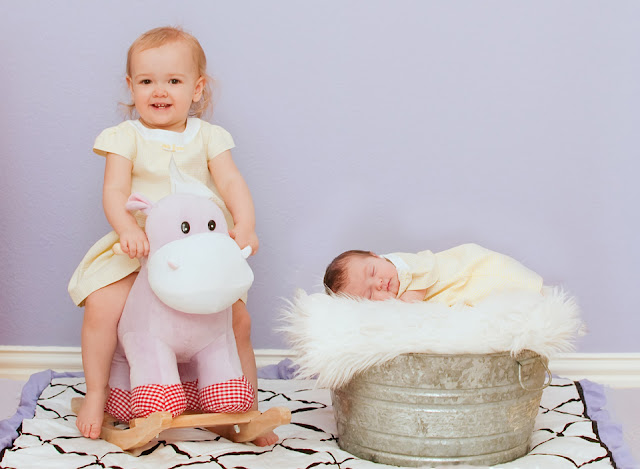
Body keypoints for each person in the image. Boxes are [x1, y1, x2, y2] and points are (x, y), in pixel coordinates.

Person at [68, 26, 277, 446]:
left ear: (197, 88)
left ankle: (245, 406)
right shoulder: (125, 137)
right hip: (142, 245)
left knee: (238, 320)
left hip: (199, 253)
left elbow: (232, 182)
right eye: (147, 81)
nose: (159, 91)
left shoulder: (209, 137)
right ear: (131, 86)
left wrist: (245, 224)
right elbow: (114, 190)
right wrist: (127, 228)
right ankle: (96, 394)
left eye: (174, 81)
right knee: (102, 306)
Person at [323, 243, 543, 305]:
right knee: (491, 303)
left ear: (376, 256)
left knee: (498, 279)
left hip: (466, 271)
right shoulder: (389, 304)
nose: (378, 283)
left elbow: (426, 268)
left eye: (372, 271)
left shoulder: (401, 264)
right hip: (454, 294)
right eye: (370, 294)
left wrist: (410, 298)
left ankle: (534, 290)